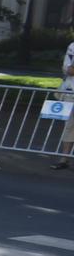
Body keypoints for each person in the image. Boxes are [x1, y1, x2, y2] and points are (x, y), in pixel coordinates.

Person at [53, 38, 74, 170]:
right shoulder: (72, 46)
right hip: (70, 92)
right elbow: (68, 70)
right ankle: (64, 158)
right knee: (69, 126)